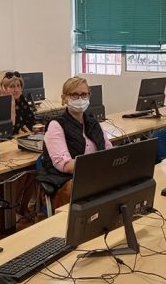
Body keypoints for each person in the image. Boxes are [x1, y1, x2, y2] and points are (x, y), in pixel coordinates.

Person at [37, 77, 112, 209]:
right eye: (74, 95)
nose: (80, 99)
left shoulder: (93, 123)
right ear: (64, 98)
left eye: (84, 95)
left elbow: (108, 151)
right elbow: (65, 165)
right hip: (65, 183)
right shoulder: (56, 125)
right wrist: (98, 165)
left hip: (94, 178)